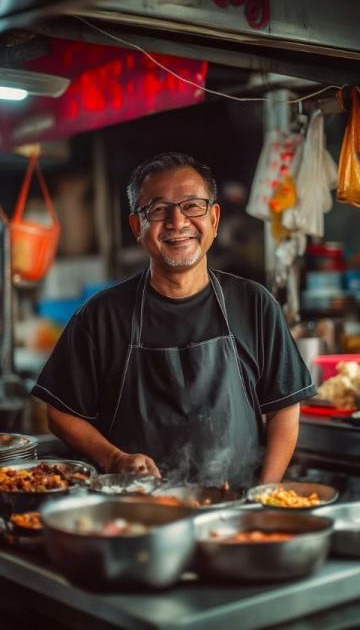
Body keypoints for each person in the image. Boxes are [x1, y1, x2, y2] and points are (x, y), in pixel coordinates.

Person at [31, 152, 315, 488]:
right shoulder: (101, 316)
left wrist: (263, 494)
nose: (177, 222)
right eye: (158, 209)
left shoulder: (254, 304)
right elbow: (61, 413)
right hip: (138, 517)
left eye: (192, 205)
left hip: (235, 514)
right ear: (138, 226)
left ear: (214, 218)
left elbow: (284, 408)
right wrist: (113, 458)